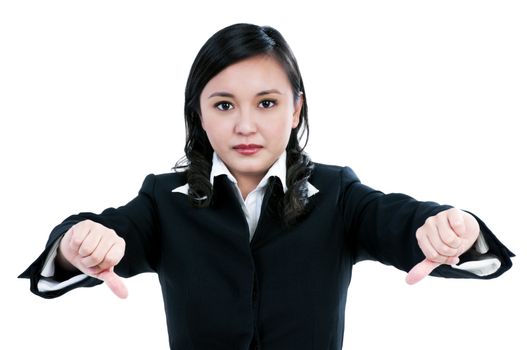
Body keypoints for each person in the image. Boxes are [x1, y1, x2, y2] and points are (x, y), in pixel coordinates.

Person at [20, 23, 514, 350]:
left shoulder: (337, 194)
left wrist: (456, 231)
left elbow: (402, 220)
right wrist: (74, 245)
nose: (246, 127)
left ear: (296, 108)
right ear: (199, 114)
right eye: (224, 105)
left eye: (267, 103)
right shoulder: (162, 201)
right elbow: (98, 236)